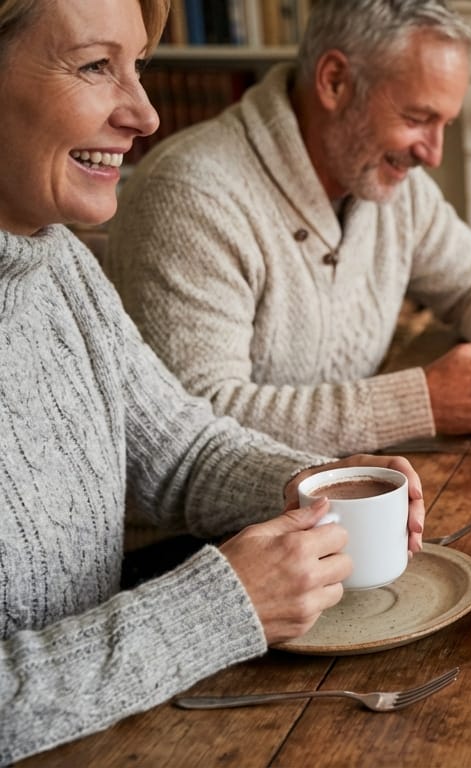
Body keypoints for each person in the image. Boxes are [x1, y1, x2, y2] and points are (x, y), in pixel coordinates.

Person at [0, 0, 426, 760]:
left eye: (139, 69)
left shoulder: (57, 260)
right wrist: (215, 609)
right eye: (96, 66)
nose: (145, 113)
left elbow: (183, 452)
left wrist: (313, 484)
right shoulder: (187, 191)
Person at [103, 0, 471, 456]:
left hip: (352, 494)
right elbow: (199, 423)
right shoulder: (191, 195)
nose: (433, 154)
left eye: (445, 123)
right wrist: (422, 403)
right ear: (335, 81)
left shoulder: (390, 184)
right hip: (218, 534)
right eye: (417, 118)